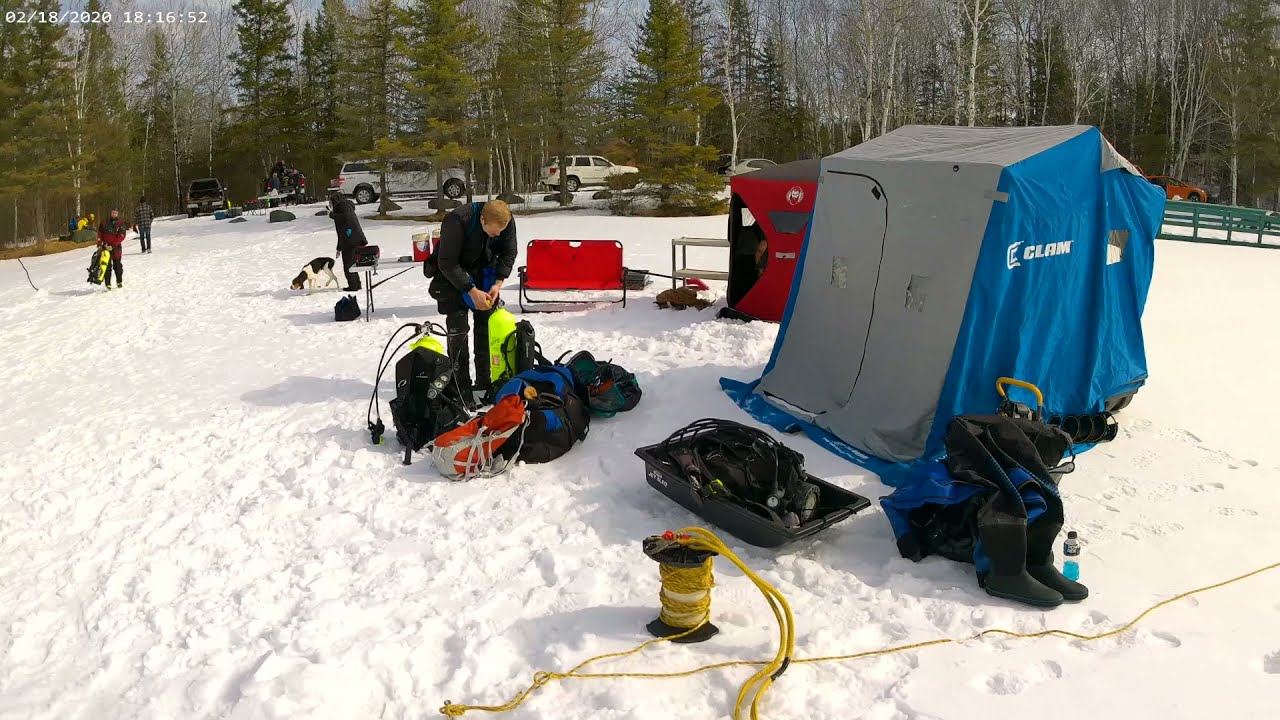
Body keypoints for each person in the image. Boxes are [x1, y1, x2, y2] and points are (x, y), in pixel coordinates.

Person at [427, 200, 517, 404]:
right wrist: (470, 289)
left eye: (499, 233)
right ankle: (461, 387)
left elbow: (509, 253)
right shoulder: (457, 220)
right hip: (453, 275)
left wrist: (498, 282)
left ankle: (484, 382)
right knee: (458, 331)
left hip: (485, 272)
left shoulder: (506, 220)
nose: (496, 236)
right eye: (493, 233)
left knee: (486, 328)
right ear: (482, 220)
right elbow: (446, 262)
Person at [327, 191, 368, 290]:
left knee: (348, 264)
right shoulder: (345, 207)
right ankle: (356, 284)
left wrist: (332, 215)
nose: (331, 205)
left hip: (351, 240)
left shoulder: (343, 206)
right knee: (351, 263)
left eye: (331, 203)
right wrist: (339, 248)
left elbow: (345, 218)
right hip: (352, 239)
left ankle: (353, 286)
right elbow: (341, 232)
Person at [97, 209, 128, 289]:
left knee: (117, 266)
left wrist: (113, 245)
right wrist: (99, 244)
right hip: (106, 247)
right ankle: (108, 284)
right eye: (113, 212)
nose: (114, 214)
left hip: (116, 248)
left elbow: (121, 236)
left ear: (118, 214)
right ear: (111, 213)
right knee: (106, 266)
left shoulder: (121, 223)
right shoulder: (104, 222)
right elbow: (100, 233)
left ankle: (119, 281)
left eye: (116, 213)